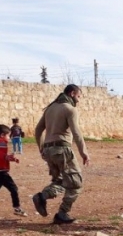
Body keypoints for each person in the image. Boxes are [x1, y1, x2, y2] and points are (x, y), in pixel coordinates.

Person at [32, 84, 90, 224]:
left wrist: (41, 147)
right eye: (78, 96)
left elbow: (38, 129)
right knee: (75, 184)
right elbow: (76, 133)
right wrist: (84, 153)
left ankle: (42, 196)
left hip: (49, 150)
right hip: (62, 150)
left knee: (60, 181)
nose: (79, 100)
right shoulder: (69, 109)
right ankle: (62, 213)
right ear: (71, 93)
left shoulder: (50, 108)